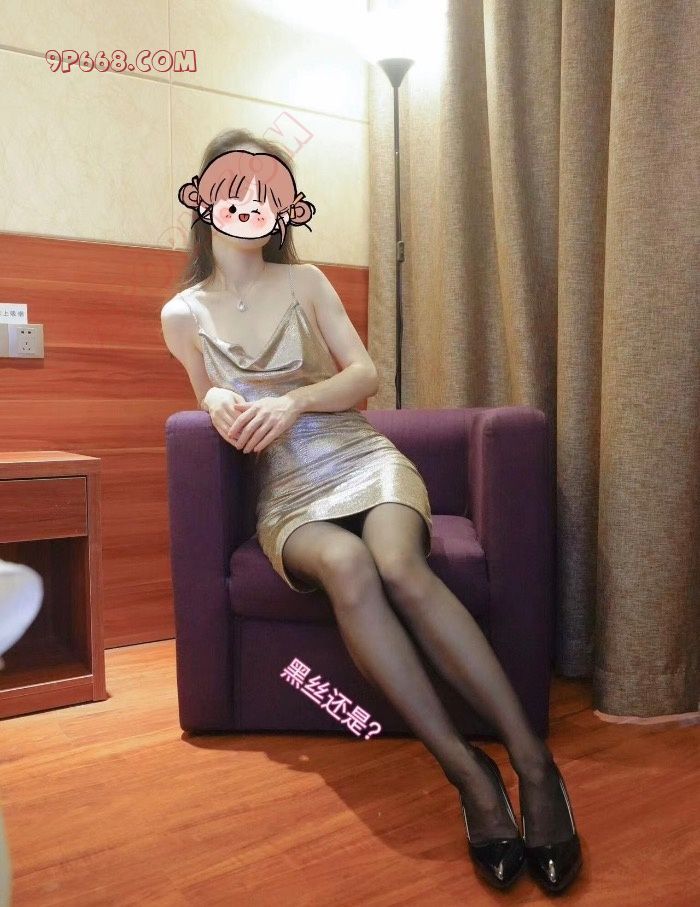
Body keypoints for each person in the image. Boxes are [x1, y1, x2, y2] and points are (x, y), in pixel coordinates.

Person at [160, 128, 582, 894]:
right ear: (204, 199)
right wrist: (218, 400)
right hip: (287, 494)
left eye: (265, 193)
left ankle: (533, 764)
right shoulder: (182, 314)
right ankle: (470, 775)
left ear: (285, 209)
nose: (249, 205)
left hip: (363, 459)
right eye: (234, 191)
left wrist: (294, 402)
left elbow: (365, 375)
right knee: (348, 566)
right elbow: (209, 399)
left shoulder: (306, 280)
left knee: (398, 563)